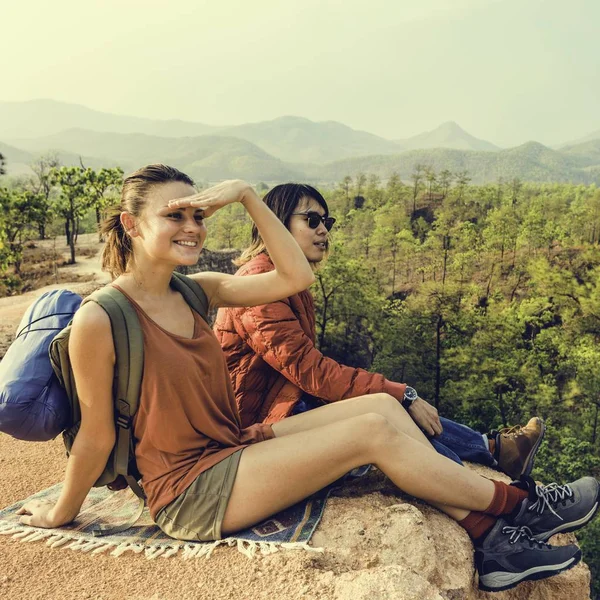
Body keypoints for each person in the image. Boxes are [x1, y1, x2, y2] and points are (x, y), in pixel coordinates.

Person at [17, 166, 598, 593]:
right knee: (367, 435)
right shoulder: (103, 317)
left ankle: (493, 546)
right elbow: (94, 435)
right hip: (190, 491)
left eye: (197, 213)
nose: (192, 226)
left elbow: (292, 272)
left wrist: (246, 195)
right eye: (175, 215)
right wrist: (62, 512)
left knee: (383, 412)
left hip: (232, 448)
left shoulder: (198, 291)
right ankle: (523, 507)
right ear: (131, 225)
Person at [215, 183, 543, 481]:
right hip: (257, 422)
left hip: (282, 403)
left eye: (326, 223)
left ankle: (493, 453)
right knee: (381, 410)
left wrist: (395, 393)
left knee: (376, 400)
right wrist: (402, 393)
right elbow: (309, 371)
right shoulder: (257, 286)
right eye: (312, 221)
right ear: (275, 222)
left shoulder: (283, 280)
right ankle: (472, 484)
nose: (323, 232)